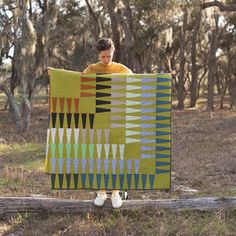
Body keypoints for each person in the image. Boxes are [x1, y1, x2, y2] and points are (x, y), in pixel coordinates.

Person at [83, 38, 132, 208]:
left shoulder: (121, 69)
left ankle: (116, 192)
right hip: (98, 118)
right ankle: (102, 192)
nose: (106, 60)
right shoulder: (92, 69)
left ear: (113, 52)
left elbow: (136, 82)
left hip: (117, 117)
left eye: (109, 56)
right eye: (103, 57)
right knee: (100, 155)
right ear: (98, 55)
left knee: (116, 154)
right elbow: (77, 83)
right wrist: (58, 75)